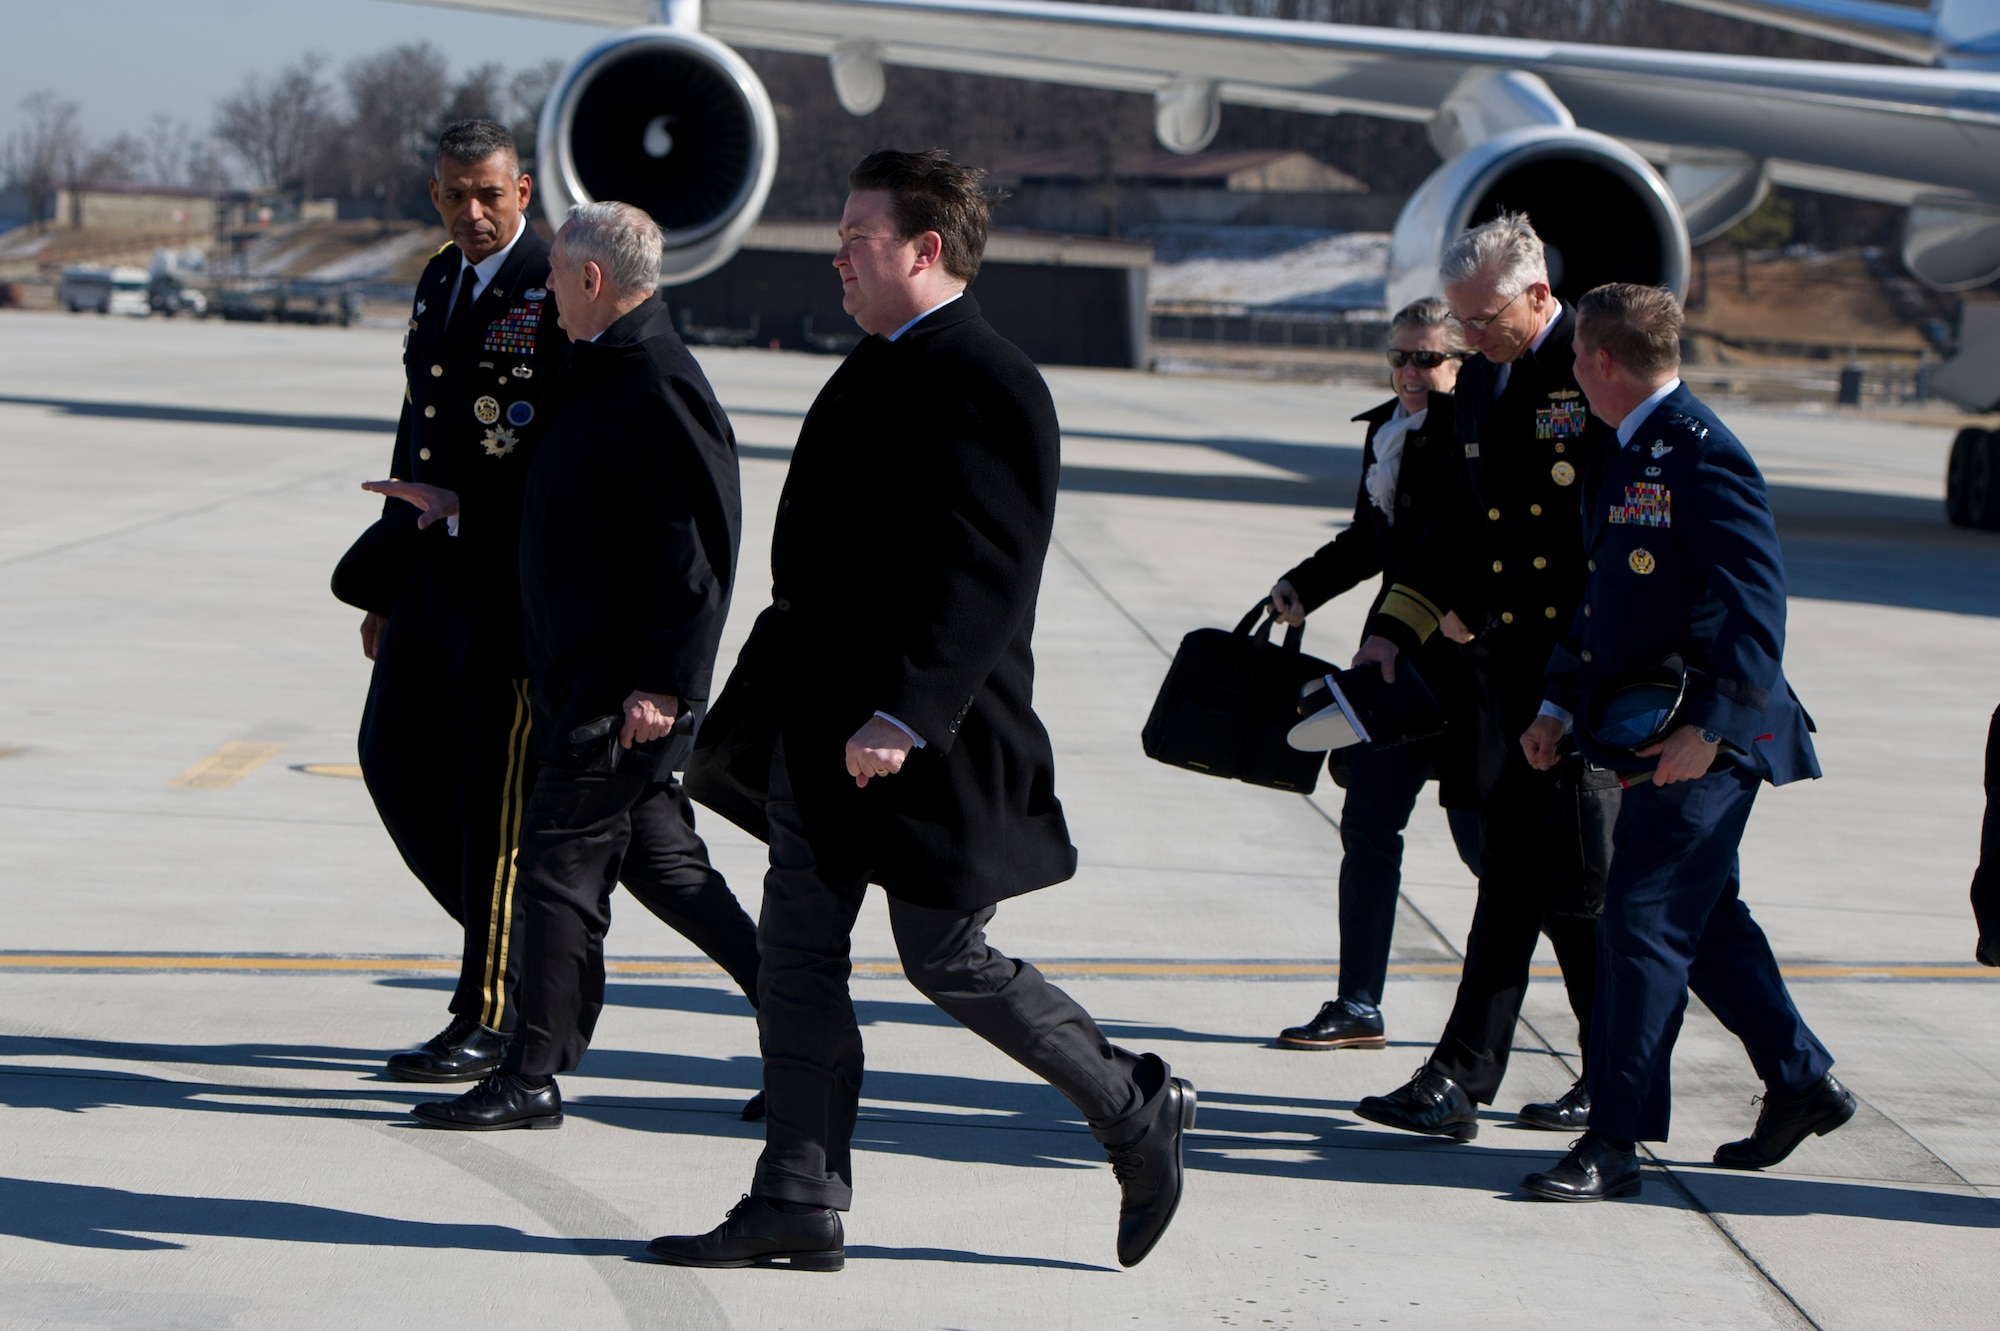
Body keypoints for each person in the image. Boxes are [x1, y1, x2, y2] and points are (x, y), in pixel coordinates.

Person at [648, 150, 1193, 1273]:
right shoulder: (870, 365)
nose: (835, 251)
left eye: (856, 233)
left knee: (944, 957)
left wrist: (904, 711)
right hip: (819, 727)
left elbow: (986, 574)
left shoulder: (987, 378)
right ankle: (795, 1192)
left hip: (922, 741)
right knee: (796, 957)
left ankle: (1129, 1103)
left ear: (922, 249)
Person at [331, 122, 757, 1088]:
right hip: (437, 580)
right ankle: (534, 978)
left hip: (525, 613)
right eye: (450, 194)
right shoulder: (444, 275)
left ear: (523, 189)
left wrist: (665, 682)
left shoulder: (565, 289)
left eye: (486, 193)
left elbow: (582, 475)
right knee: (396, 761)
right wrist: (392, 581)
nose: (470, 213)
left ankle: (507, 1011)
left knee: (518, 820)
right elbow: (423, 429)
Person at [1517, 283, 1851, 1201]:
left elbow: (1760, 606)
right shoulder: (1629, 449)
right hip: (1652, 726)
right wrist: (1555, 700)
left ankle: (1616, 1139)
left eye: (1579, 354)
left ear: (1601, 362)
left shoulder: (1704, 456)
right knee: (1703, 927)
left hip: (1709, 735)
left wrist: (1713, 728)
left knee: (1640, 922)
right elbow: (1604, 600)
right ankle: (1801, 1082)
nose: (1573, 369)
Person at [1347, 214, 1610, 1139]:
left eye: (1485, 319)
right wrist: (1396, 626)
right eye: (1458, 325)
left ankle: (1782, 1069)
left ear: (1540, 295)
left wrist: (1573, 679)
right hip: (1512, 672)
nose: (1469, 341)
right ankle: (1466, 1077)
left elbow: (1608, 546)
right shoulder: (1488, 377)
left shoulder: (1593, 366)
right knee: (1524, 876)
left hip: (1575, 674)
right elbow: (1459, 527)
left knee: (1576, 888)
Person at [1265, 299, 1492, 1052]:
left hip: (1465, 667)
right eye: (1400, 356)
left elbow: (1476, 543)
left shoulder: (1474, 432)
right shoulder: (1387, 432)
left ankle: (1592, 1026)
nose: (1410, 372)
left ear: (1461, 362)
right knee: (1368, 824)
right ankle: (1358, 1002)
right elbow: (1374, 538)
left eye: (1429, 358)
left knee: (1487, 848)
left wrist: (1469, 613)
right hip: (1391, 663)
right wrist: (1303, 583)